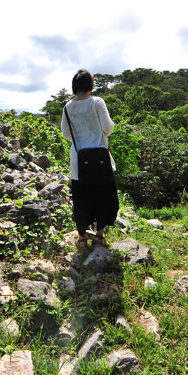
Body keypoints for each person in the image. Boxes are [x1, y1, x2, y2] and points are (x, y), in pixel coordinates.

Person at [60, 69, 118, 249]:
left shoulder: (67, 107)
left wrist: (82, 139)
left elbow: (66, 134)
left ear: (74, 88)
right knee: (104, 198)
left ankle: (81, 238)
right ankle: (99, 236)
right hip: (101, 160)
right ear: (91, 86)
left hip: (79, 161)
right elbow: (108, 128)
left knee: (81, 199)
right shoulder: (97, 102)